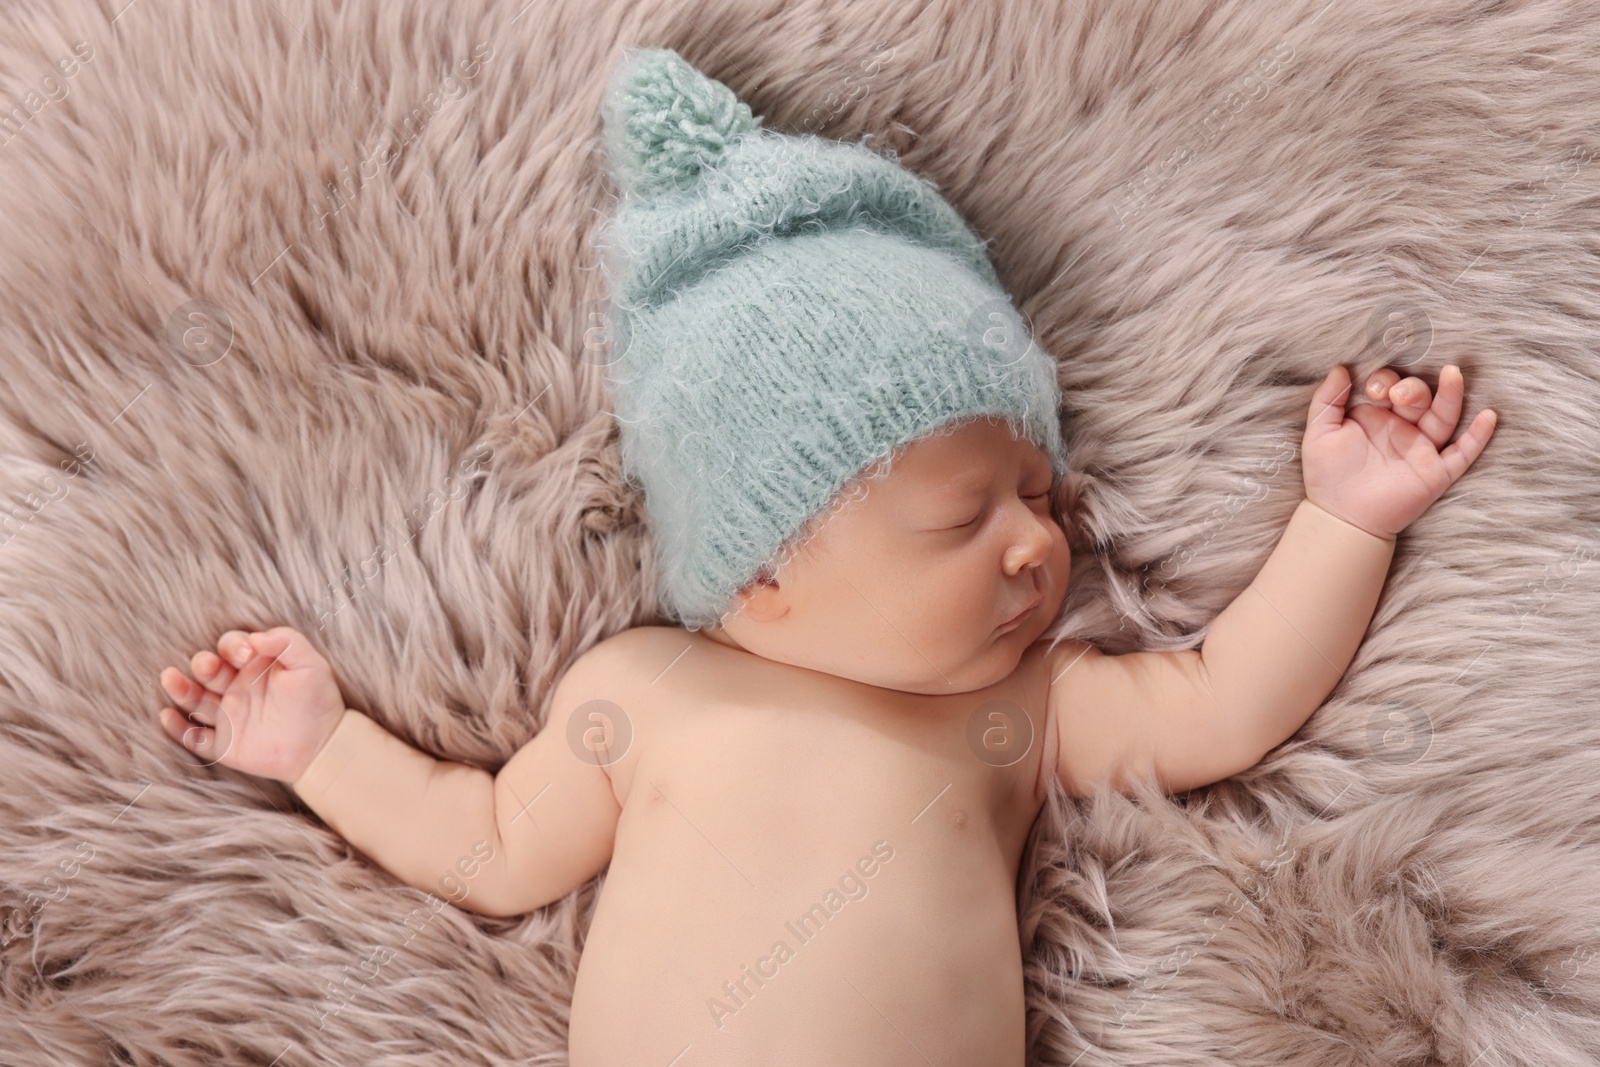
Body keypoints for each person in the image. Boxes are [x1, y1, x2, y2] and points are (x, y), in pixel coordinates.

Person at [155, 47, 1497, 1065]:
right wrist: (320, 749)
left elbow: (1225, 702)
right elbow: (494, 847)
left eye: (1038, 493)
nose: (1041, 540)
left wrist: (1346, 519)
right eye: (964, 519)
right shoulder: (654, 691)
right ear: (765, 571)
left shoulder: (1013, 715)